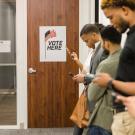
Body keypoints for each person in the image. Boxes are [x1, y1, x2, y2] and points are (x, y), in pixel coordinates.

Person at [93, 0, 135, 134]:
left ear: (125, 10)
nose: (110, 23)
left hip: (128, 117)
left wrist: (109, 82)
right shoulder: (131, 35)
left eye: (111, 17)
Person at [68, 24, 107, 135]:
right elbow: (89, 71)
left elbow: (103, 77)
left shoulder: (103, 50)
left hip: (98, 97)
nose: (86, 44)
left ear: (94, 35)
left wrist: (85, 77)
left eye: (86, 41)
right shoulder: (95, 50)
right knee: (80, 124)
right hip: (90, 93)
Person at [86, 25, 122, 135]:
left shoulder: (106, 65)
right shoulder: (128, 58)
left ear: (107, 42)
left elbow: (92, 95)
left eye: (101, 41)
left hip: (104, 120)